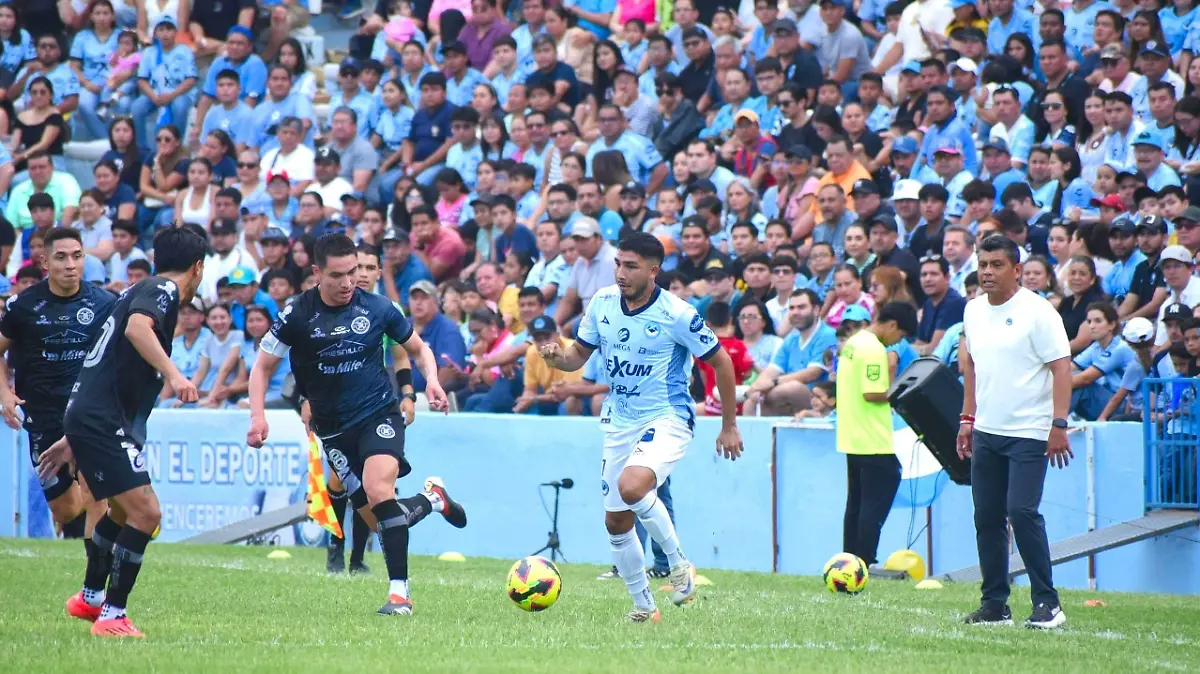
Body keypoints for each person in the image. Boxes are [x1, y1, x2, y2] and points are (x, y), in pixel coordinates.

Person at [246, 233, 467, 617]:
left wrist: (430, 380)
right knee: (383, 520)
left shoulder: (379, 308)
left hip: (378, 414)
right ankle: (433, 499)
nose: (348, 282)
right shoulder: (296, 315)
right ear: (317, 273)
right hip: (332, 430)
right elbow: (262, 367)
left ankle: (400, 595)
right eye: (337, 275)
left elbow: (418, 349)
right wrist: (257, 415)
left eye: (353, 272)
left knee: (379, 491)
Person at [538, 232, 744, 622]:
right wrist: (557, 359)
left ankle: (679, 564)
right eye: (617, 263)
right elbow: (577, 355)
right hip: (619, 421)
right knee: (615, 520)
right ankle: (644, 605)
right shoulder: (601, 303)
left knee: (632, 487)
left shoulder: (678, 313)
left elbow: (722, 363)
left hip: (667, 416)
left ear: (653, 270)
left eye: (630, 266)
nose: (620, 273)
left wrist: (729, 425)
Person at [34, 227, 209, 638]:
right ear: (198, 268)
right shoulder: (163, 289)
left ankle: (91, 598)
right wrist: (176, 375)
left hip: (93, 416)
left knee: (119, 511)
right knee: (146, 513)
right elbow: (136, 330)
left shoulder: (136, 288)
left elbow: (106, 359)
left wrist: (74, 431)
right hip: (102, 420)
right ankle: (113, 616)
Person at [0, 227, 118, 615]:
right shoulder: (22, 307)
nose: (71, 264)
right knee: (67, 509)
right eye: (63, 257)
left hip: (89, 416)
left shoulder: (104, 304)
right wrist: (4, 393)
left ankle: (93, 589)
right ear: (44, 262)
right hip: (43, 417)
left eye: (78, 255)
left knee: (98, 496)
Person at [957, 234, 1072, 631]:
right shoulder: (972, 311)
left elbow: (1061, 367)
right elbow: (970, 365)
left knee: (1021, 512)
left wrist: (1058, 424)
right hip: (987, 430)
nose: (987, 272)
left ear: (1017, 270)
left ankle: (1048, 603)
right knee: (986, 516)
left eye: (996, 265)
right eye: (982, 264)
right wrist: (967, 419)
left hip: (1030, 430)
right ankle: (994, 605)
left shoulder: (1038, 313)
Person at [838, 301, 918, 568]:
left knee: (856, 504)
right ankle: (865, 560)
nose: (898, 342)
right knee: (874, 503)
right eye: (901, 335)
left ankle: (848, 560)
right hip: (873, 437)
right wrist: (902, 389)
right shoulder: (874, 350)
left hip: (852, 435)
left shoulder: (854, 342)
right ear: (893, 325)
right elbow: (872, 393)